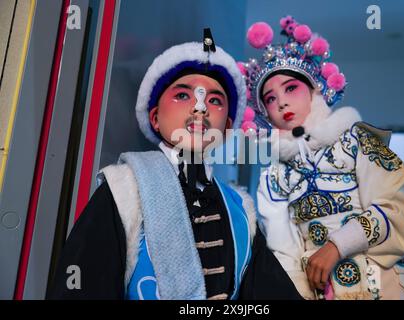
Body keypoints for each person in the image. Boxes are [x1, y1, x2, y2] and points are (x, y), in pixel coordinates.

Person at [47, 30, 302, 300]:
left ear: (227, 128)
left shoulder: (240, 209)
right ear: (155, 118)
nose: (200, 108)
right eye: (182, 96)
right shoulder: (124, 188)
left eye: (215, 100)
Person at [241, 16, 404, 300]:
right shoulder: (274, 177)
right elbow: (284, 252)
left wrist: (337, 245)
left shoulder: (358, 141)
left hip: (383, 284)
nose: (282, 102)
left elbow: (397, 208)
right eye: (270, 98)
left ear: (315, 90)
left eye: (291, 88)